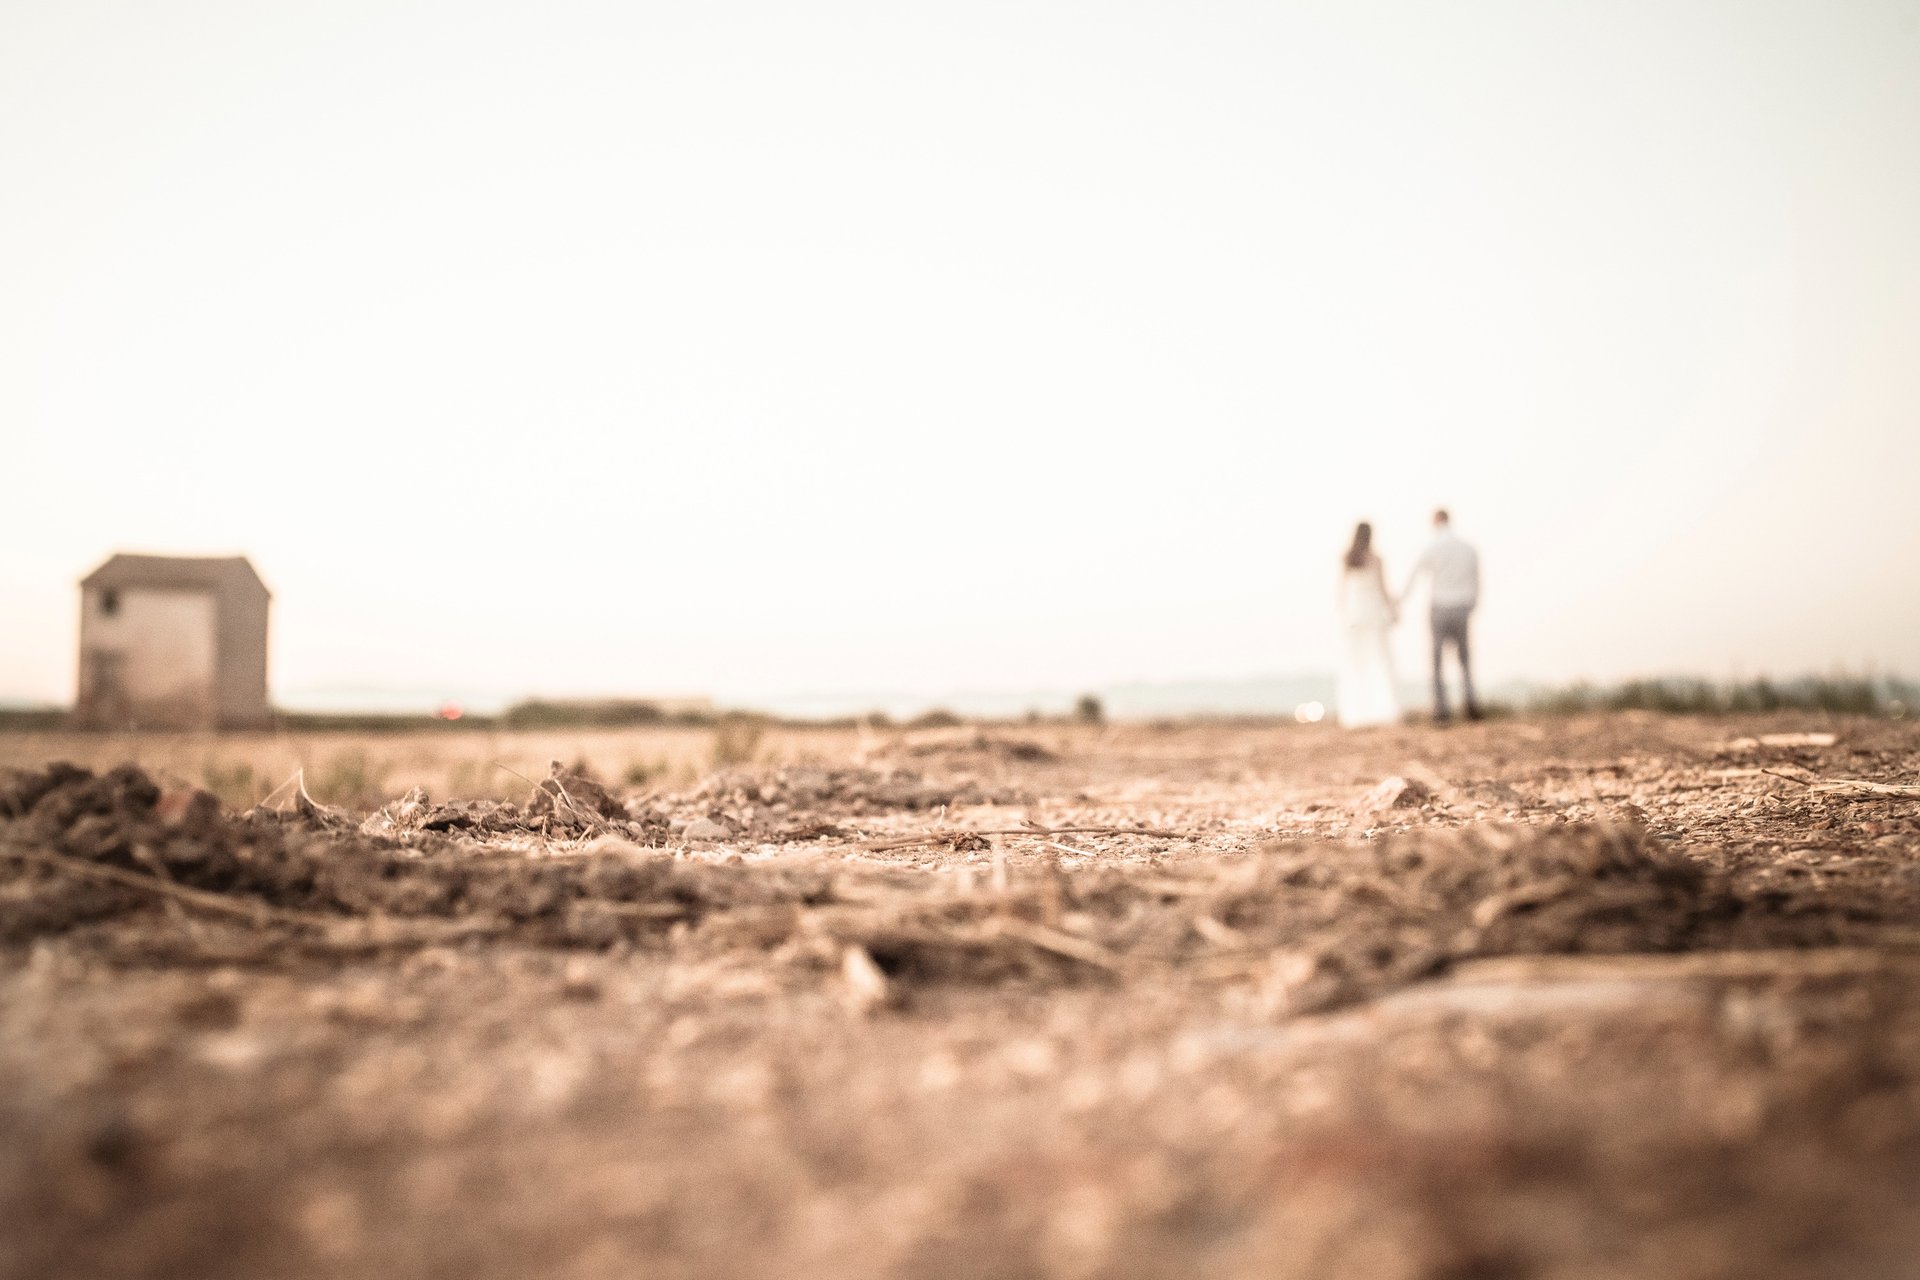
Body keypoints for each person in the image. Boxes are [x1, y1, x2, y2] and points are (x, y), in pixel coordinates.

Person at [1402, 508, 1481, 722]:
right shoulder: (1467, 548)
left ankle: (1440, 708)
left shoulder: (1432, 547)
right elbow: (1475, 577)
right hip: (1462, 604)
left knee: (1436, 658)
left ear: (1436, 522)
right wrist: (1473, 602)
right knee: (1464, 657)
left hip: (1440, 605)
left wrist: (1400, 600)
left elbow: (1415, 574)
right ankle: (1470, 702)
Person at [1335, 521, 1400, 728]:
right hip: (1371, 613)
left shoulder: (1347, 558)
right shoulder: (1376, 559)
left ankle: (1356, 712)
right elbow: (1383, 588)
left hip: (1354, 614)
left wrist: (1343, 614)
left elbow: (1342, 590)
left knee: (1356, 662)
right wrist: (1392, 610)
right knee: (1378, 659)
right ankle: (1381, 710)